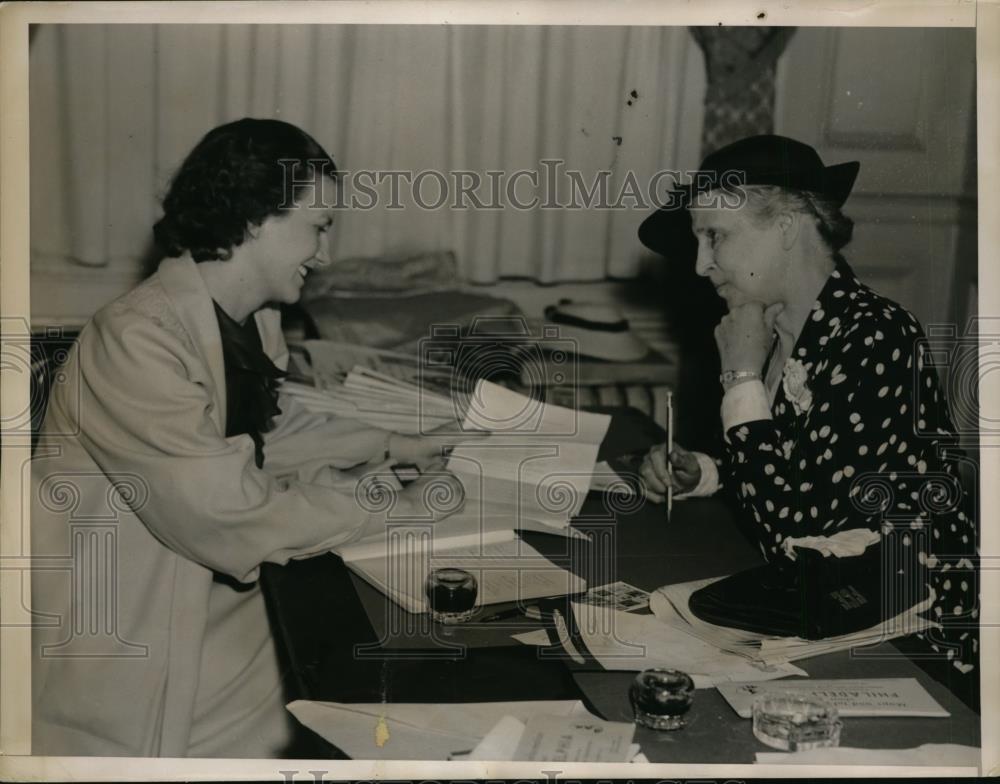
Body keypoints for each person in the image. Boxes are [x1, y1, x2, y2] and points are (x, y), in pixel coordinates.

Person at [31, 118, 468, 757]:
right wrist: (394, 508)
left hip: (205, 600)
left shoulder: (251, 320)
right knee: (367, 707)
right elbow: (227, 511)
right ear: (258, 217)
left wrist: (395, 446)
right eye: (318, 227)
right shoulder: (135, 339)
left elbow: (266, 433)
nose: (323, 254)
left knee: (375, 686)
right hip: (125, 636)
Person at [637, 135, 978, 706]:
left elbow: (792, 532)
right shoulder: (769, 322)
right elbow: (803, 466)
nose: (700, 265)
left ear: (789, 226)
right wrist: (708, 471)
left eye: (715, 237)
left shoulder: (876, 335)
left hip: (915, 638)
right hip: (825, 611)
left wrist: (742, 381)